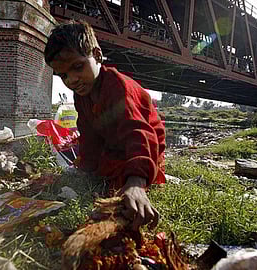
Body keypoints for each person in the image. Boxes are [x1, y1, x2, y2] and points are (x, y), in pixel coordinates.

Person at [44, 20, 166, 231]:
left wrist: (136, 181)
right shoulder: (82, 93)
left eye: (77, 67)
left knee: (120, 188)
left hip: (145, 147)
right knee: (97, 172)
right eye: (63, 75)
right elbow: (89, 135)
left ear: (97, 55)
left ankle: (138, 178)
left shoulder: (118, 87)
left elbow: (139, 133)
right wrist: (86, 169)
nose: (71, 80)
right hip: (115, 147)